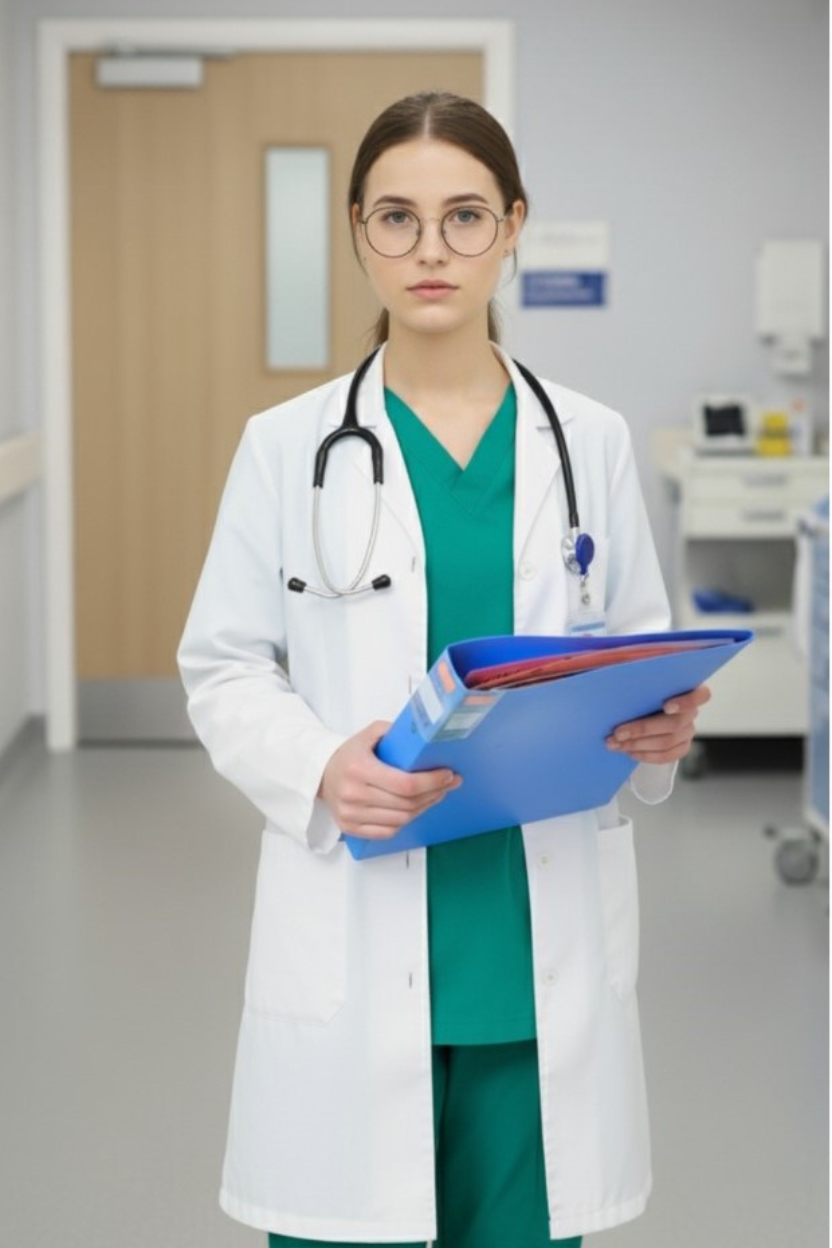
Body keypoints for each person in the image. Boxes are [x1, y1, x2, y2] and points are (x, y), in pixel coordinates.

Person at [177, 91, 709, 1248]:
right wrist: (320, 766)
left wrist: (663, 725)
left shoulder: (591, 440)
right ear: (358, 231)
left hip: (532, 946)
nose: (431, 251)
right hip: (356, 932)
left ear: (513, 226)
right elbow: (221, 666)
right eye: (398, 218)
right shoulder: (285, 447)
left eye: (465, 216)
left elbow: (637, 648)